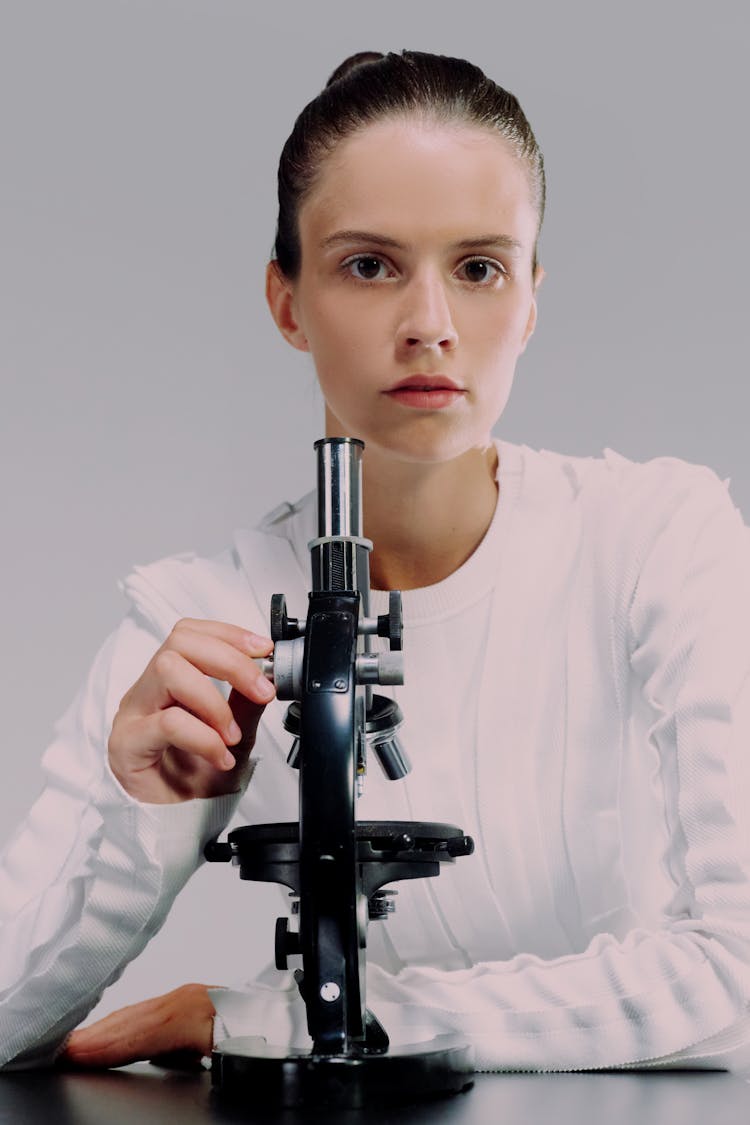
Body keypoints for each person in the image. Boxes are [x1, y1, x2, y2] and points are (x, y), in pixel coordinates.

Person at [2, 49, 750, 1073]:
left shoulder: (662, 540)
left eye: (479, 268)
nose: (430, 327)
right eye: (369, 265)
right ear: (287, 303)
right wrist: (140, 830)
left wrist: (280, 1018)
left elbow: (738, 979)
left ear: (530, 299)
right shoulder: (194, 621)